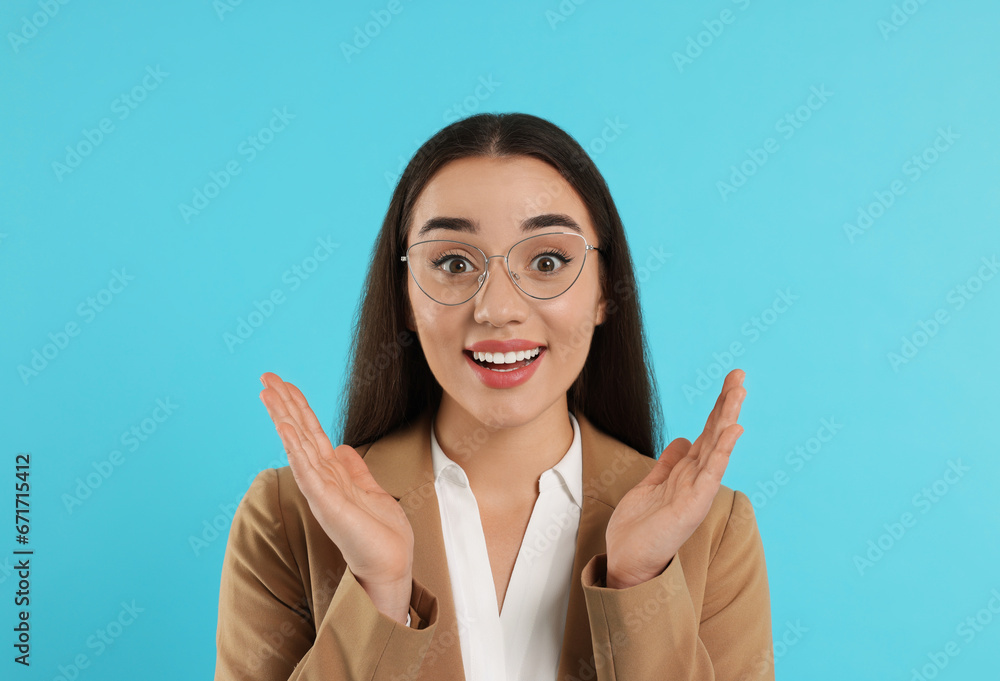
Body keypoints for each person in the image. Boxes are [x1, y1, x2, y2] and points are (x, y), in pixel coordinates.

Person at [214, 112, 774, 681]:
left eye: (548, 261)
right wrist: (380, 595)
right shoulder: (286, 519)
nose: (498, 309)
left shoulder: (710, 531)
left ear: (606, 290)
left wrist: (638, 589)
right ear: (405, 294)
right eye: (454, 263)